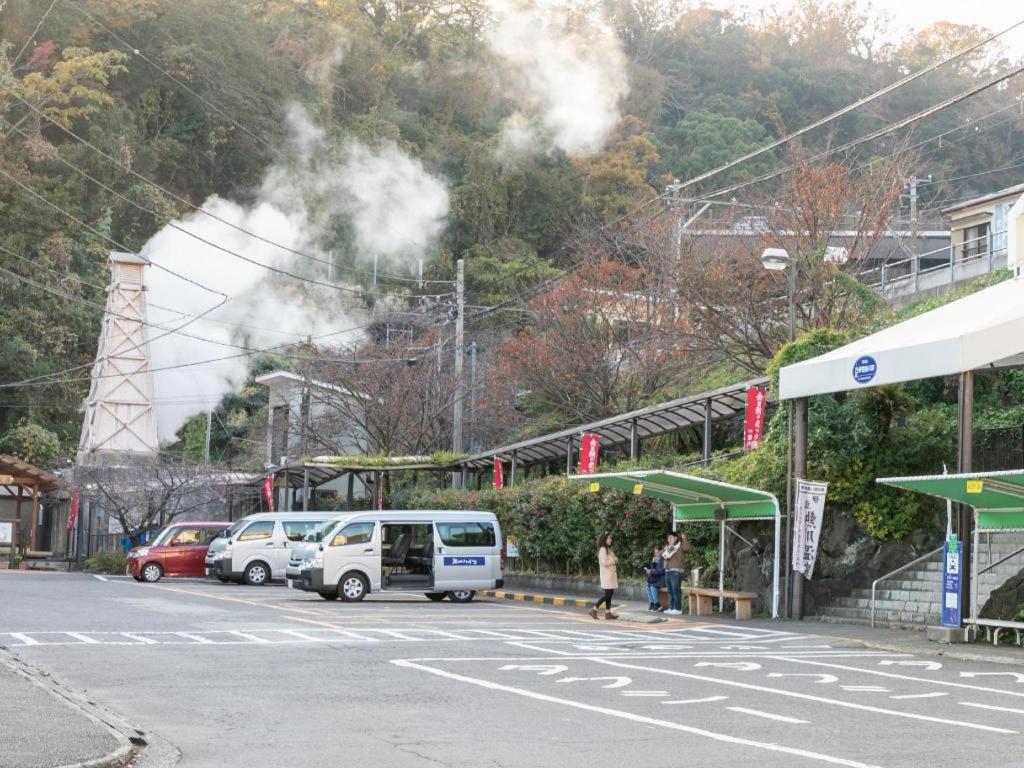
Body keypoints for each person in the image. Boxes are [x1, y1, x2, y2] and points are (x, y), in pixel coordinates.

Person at [589, 532, 619, 620]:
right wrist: (613, 560)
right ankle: (594, 609)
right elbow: (604, 562)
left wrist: (614, 559)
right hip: (607, 575)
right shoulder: (603, 549)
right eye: (609, 538)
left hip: (610, 575)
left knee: (609, 594)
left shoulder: (608, 549)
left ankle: (607, 612)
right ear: (605, 540)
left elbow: (615, 558)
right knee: (607, 595)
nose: (611, 540)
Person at [661, 529, 691, 615]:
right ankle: (672, 607)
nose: (669, 539)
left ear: (675, 538)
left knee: (676, 590)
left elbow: (687, 548)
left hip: (676, 571)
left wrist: (684, 539)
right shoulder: (668, 547)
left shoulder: (679, 545)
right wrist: (665, 549)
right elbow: (662, 556)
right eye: (668, 538)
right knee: (670, 591)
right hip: (668, 571)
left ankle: (678, 609)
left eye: (670, 537)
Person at [645, 548, 665, 612]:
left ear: (661, 551)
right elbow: (653, 569)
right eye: (655, 552)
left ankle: (657, 604)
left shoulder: (663, 559)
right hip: (656, 579)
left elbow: (661, 571)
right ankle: (652, 603)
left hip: (662, 579)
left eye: (657, 552)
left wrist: (651, 571)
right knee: (648, 586)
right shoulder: (656, 559)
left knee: (652, 586)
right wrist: (653, 563)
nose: (656, 554)